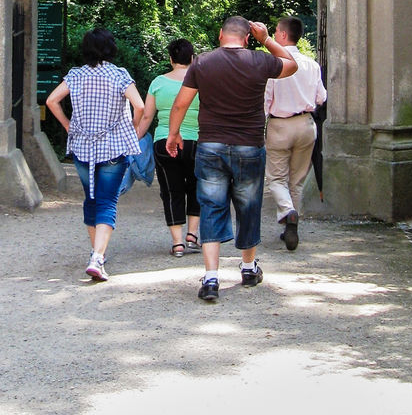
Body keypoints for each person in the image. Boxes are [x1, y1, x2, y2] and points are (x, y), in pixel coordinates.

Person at [166, 15, 296, 303]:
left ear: (220, 34)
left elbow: (181, 103)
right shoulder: (259, 61)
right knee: (249, 205)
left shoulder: (202, 62)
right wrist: (267, 40)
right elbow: (291, 64)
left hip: (211, 145)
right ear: (247, 38)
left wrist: (173, 134)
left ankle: (211, 278)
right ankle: (248, 268)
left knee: (211, 205)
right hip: (249, 146)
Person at [45, 28, 145, 283]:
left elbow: (51, 101)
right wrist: (131, 127)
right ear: (110, 48)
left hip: (82, 148)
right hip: (112, 148)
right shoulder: (120, 75)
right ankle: (97, 258)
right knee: (107, 202)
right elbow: (141, 106)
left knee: (91, 199)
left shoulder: (75, 76)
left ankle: (96, 253)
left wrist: (68, 125)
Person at [258, 16, 327, 252]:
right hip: (307, 124)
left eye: (276, 31)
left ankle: (288, 212)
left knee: (276, 179)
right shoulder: (312, 65)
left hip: (280, 125)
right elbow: (321, 98)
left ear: (284, 35)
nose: (275, 34)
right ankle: (291, 226)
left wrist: (259, 127)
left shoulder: (275, 64)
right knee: (296, 180)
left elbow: (266, 101)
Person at [138, 38, 201, 256]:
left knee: (171, 191)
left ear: (171, 59)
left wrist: (134, 139)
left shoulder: (158, 83)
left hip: (164, 141)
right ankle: (192, 236)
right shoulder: (201, 81)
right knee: (196, 188)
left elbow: (147, 116)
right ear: (192, 58)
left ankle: (177, 243)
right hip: (195, 141)